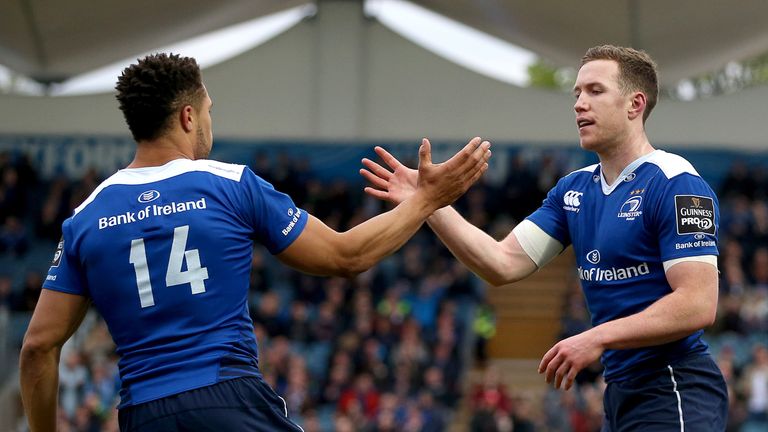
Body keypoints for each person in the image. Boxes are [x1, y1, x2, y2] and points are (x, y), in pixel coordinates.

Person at [19, 53, 491, 432]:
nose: (209, 123)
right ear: (187, 116)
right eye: (208, 112)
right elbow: (347, 256)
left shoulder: (85, 218)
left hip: (141, 414)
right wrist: (427, 199)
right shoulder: (229, 184)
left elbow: (39, 347)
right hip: (227, 398)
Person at [361, 44, 728, 430]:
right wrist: (428, 202)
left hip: (675, 386)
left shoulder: (676, 182)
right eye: (577, 94)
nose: (579, 104)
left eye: (595, 91)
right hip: (620, 393)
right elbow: (501, 263)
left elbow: (698, 304)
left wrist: (595, 338)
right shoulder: (573, 191)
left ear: (635, 104)